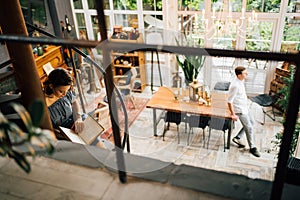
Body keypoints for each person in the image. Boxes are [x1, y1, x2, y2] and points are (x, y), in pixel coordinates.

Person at [227, 66, 261, 157]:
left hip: (245, 107)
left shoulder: (241, 81)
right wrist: (233, 114)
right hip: (240, 110)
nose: (247, 74)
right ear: (239, 75)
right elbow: (229, 101)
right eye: (245, 73)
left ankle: (237, 138)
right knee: (249, 127)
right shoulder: (235, 85)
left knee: (252, 122)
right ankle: (252, 147)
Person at [43, 68, 84, 139]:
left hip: (76, 122)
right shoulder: (44, 104)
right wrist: (64, 135)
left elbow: (74, 101)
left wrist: (78, 118)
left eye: (67, 90)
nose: (65, 94)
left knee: (95, 140)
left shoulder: (65, 92)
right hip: (62, 134)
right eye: (61, 91)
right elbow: (47, 129)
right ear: (51, 86)